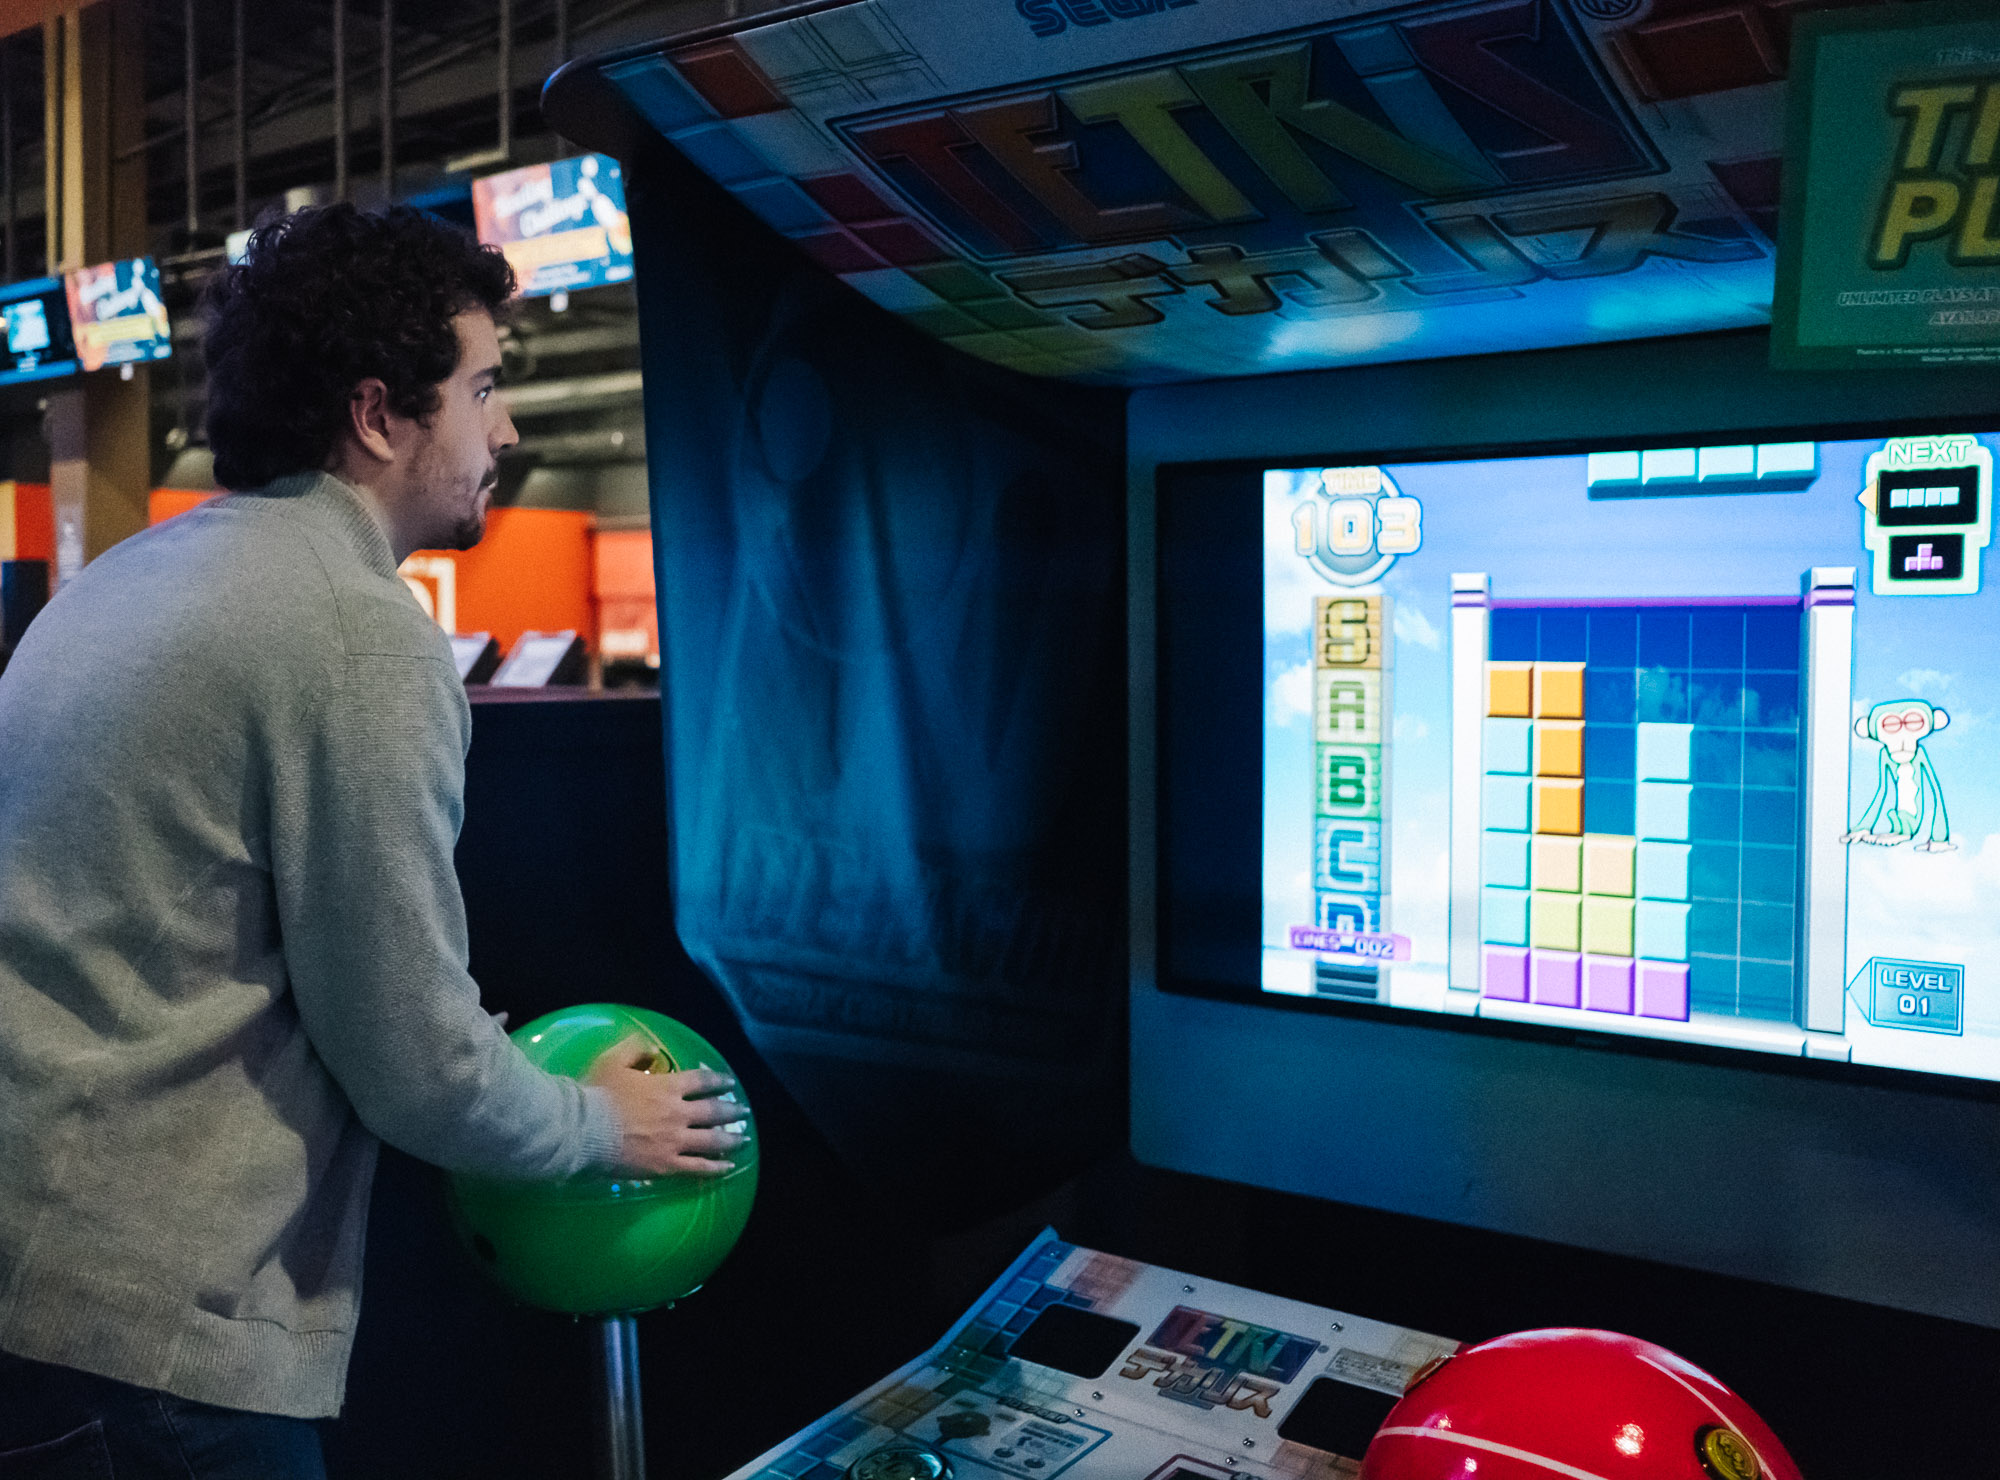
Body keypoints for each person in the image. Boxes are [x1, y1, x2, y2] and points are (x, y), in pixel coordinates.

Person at [0, 204, 742, 1479]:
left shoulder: (125, 576)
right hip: (151, 1347)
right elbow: (408, 1052)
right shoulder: (352, 626)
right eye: (484, 387)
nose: (506, 428)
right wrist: (593, 1123)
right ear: (379, 413)